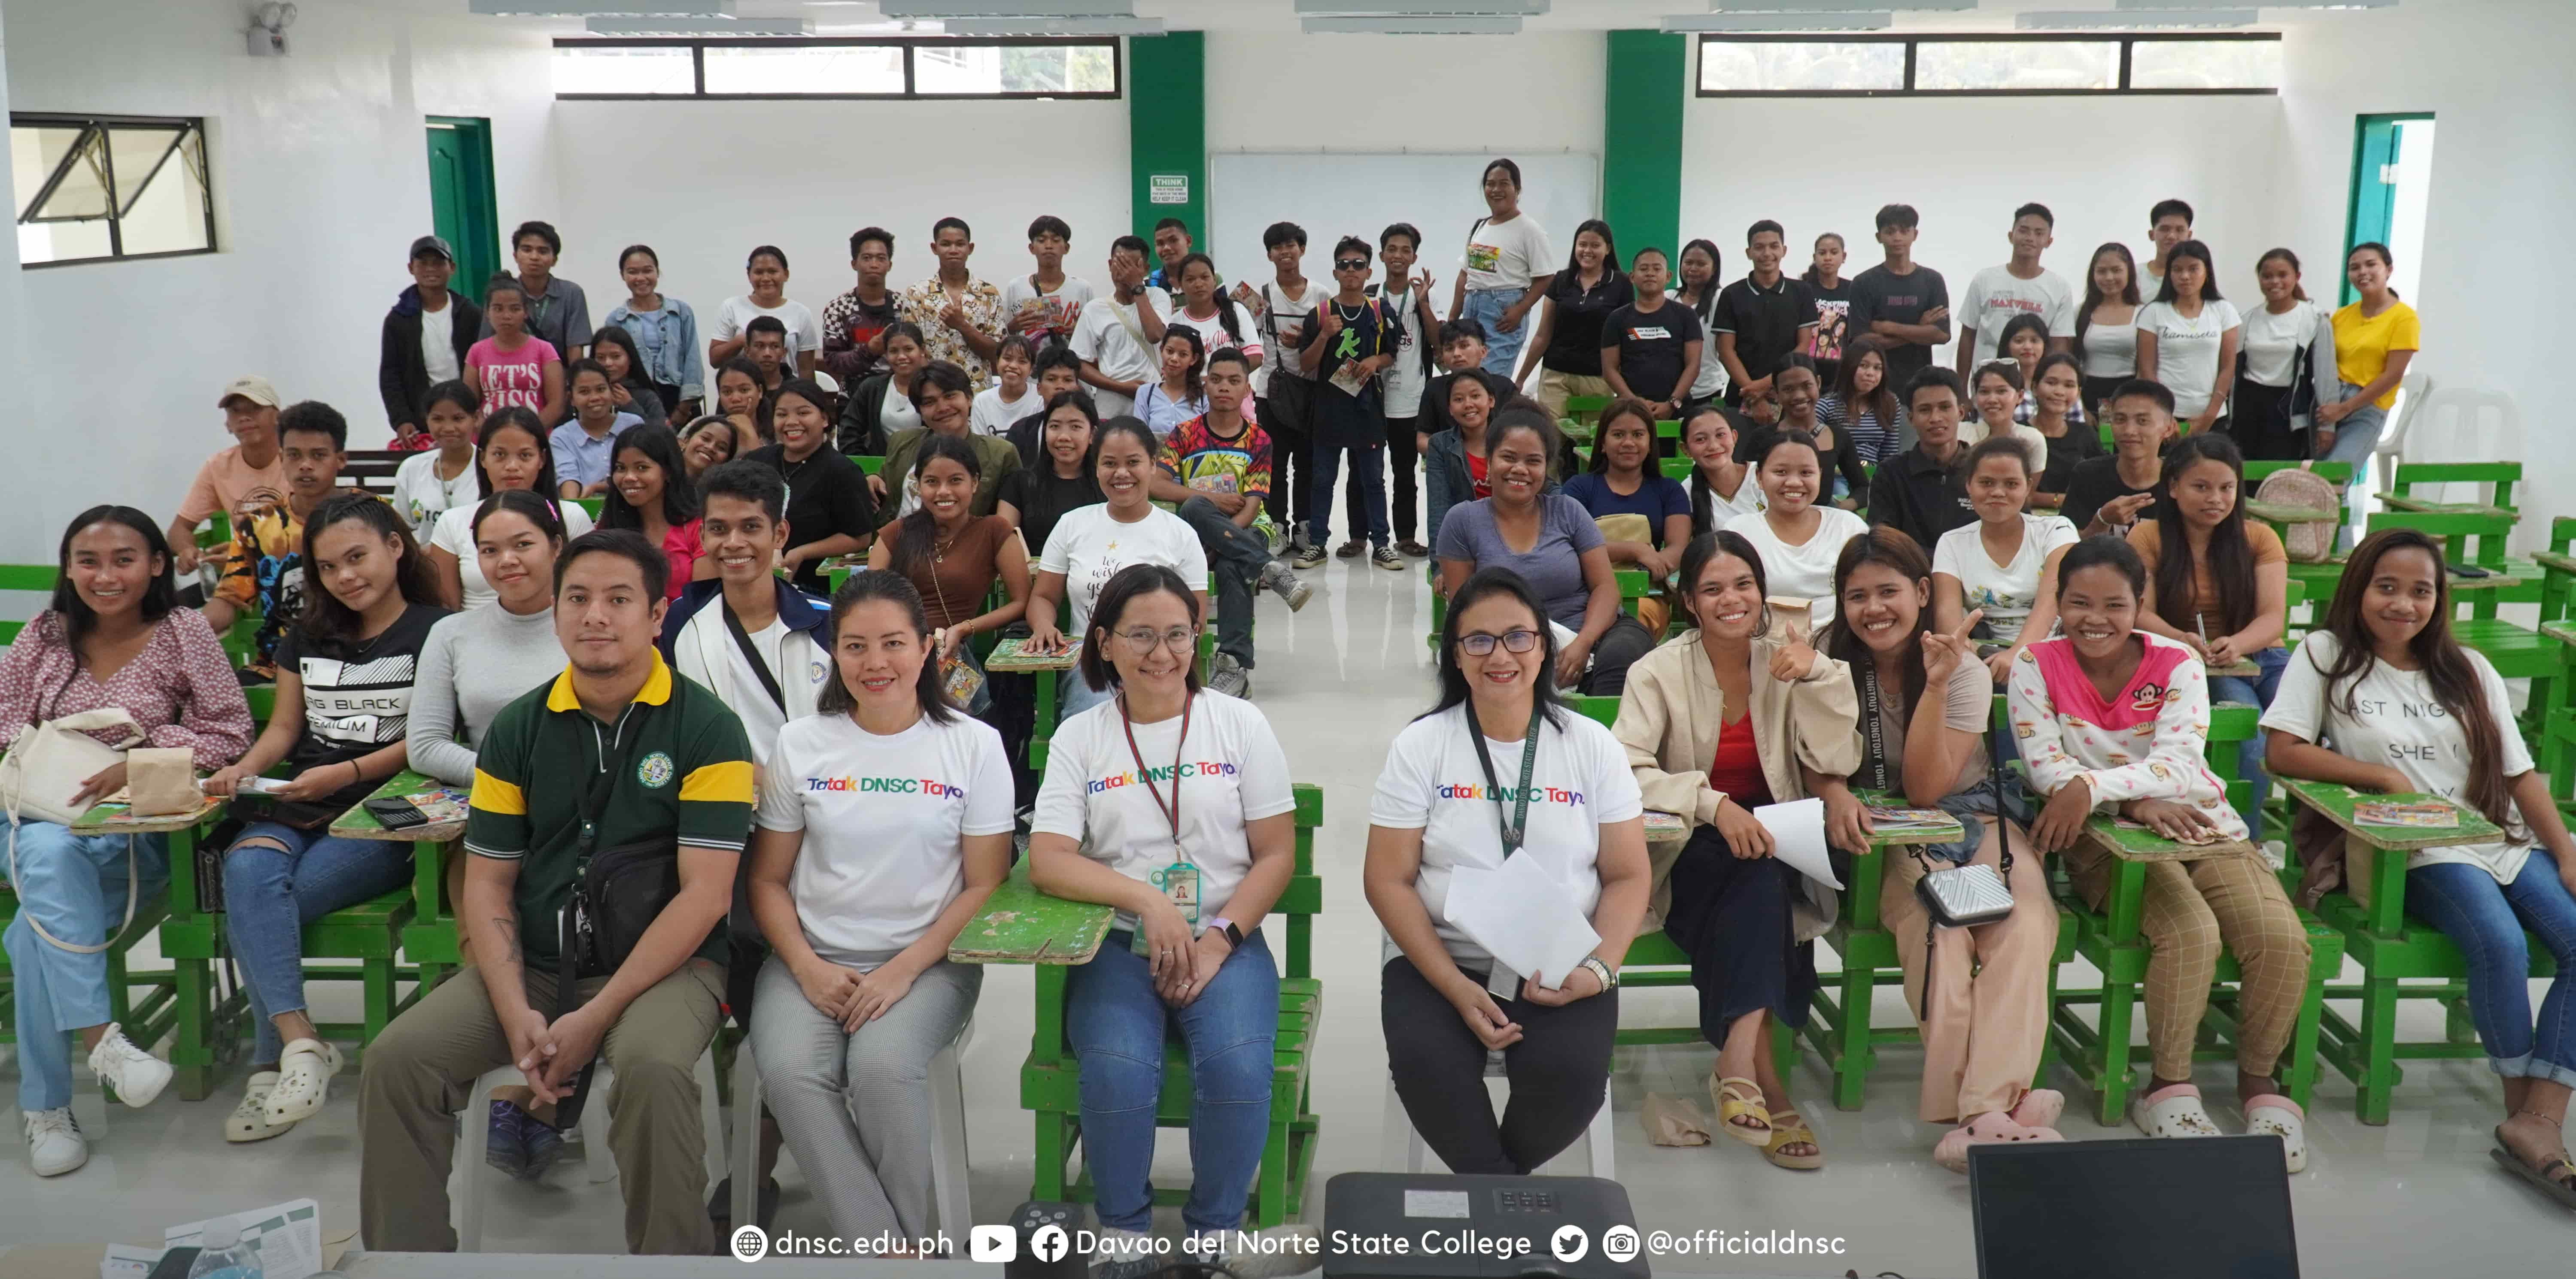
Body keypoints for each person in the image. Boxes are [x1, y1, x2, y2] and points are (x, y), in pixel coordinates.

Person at [358, 529, 753, 1255]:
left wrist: (595, 1015)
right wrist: (517, 1017)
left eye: (618, 599)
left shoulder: (709, 730)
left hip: (668, 964)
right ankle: (406, 1262)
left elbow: (704, 898)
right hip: (539, 960)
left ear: (657, 615)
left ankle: (676, 1265)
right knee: (397, 1061)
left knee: (655, 1071)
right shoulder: (519, 728)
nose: (595, 615)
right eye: (578, 598)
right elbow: (489, 884)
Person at [2262, 528, 2576, 1206]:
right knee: (2497, 942)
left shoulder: (2468, 671)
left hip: (2498, 836)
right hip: (2413, 849)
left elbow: (2520, 774)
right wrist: (2378, 775)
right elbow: (2282, 752)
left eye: (2421, 591)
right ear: (2359, 589)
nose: (2404, 604)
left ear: (2439, 600)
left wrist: (2569, 854)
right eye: (2388, 587)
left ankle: (2539, 1116)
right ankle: (2526, 1110)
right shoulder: (2327, 655)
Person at [1026, 563, 1312, 1266]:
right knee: (1119, 1071)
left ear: (1199, 637)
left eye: (1178, 634)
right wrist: (1147, 901)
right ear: (1105, 644)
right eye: (1142, 636)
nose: (1163, 653)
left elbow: (1276, 855)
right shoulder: (1081, 739)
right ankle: (1124, 1234)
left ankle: (1216, 1233)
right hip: (1118, 944)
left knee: (1238, 1071)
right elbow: (1050, 860)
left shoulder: (1239, 724)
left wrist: (1217, 941)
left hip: (1227, 939)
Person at [2010, 535, 2312, 1167]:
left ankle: (2259, 1082)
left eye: (2115, 605)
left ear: (2140, 603)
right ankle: (2168, 1084)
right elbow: (2045, 768)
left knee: (2281, 938)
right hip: (2100, 839)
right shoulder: (2036, 665)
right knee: (2192, 931)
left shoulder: (2177, 662)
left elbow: (2178, 764)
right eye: (2078, 603)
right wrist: (2130, 803)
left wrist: (2096, 786)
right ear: (2058, 603)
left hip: (2203, 822)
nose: (2096, 620)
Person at [746, 569, 1011, 1243]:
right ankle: (891, 1250)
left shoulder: (974, 745)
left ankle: (884, 1248)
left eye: (893, 643)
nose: (876, 663)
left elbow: (985, 884)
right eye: (856, 646)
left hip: (930, 963)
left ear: (928, 649)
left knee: (883, 1069)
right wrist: (805, 968)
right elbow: (768, 881)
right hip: (813, 959)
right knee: (788, 1072)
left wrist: (904, 970)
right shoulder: (803, 743)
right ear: (834, 652)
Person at [1367, 567, 1649, 1174]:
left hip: (1562, 960)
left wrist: (1598, 972)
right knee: (1428, 1068)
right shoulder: (1421, 745)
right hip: (1442, 960)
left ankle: (1491, 1200)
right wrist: (1454, 985)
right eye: (1479, 641)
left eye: (1519, 637)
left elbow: (1628, 875)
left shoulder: (1590, 744)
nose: (1501, 656)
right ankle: (1509, 1214)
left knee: (1571, 1079)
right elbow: (1386, 879)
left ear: (1544, 646)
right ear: (1457, 656)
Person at [6, 507, 252, 1176]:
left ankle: (47, 1107)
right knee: (49, 851)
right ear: (67, 568)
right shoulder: (44, 637)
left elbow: (231, 734)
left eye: (124, 559)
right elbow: (2, 727)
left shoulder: (183, 632)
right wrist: (62, 751)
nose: (105, 575)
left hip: (137, 832)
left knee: (31, 936)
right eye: (88, 561)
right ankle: (102, 1043)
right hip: (38, 816)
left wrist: (139, 758)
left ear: (156, 565)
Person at [1810, 527, 2064, 1171]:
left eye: (1889, 591)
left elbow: (1930, 786)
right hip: (1887, 834)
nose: (1874, 609)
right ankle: (1994, 1109)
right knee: (1942, 928)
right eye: (1857, 595)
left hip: (1972, 816)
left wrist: (1936, 682)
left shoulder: (1968, 670)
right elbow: (1804, 752)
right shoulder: (1826, 658)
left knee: (2025, 919)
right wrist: (1834, 789)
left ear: (1923, 592)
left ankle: (1983, 1109)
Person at [205, 495, 449, 1142]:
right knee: (248, 867)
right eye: (329, 567)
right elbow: (285, 727)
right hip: (299, 792)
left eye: (357, 557)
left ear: (395, 547)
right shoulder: (306, 634)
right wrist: (243, 768)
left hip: (387, 807)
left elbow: (428, 738)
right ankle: (303, 1045)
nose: (346, 576)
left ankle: (268, 1065)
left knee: (257, 901)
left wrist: (346, 775)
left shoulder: (437, 630)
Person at [1613, 530, 1856, 1170]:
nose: (1732, 599)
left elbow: (1837, 759)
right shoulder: (1657, 670)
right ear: (1691, 601)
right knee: (1759, 884)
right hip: (1691, 845)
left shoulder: (1788, 658)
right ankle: (1765, 1084)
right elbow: (1626, 768)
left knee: (1763, 877)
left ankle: (1737, 1065)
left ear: (1762, 591)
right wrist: (1712, 804)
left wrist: (1821, 676)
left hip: (1782, 841)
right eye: (1714, 588)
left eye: (1744, 584)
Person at [2129, 433, 2289, 836]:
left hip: (2261, 656)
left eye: (2226, 488)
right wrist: (2181, 639)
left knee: (2317, 732)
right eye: (2201, 487)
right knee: (2252, 740)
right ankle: (2244, 844)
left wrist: (2237, 644)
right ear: (2173, 487)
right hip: (2197, 663)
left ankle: (2318, 852)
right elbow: (2139, 612)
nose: (2215, 498)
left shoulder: (2260, 538)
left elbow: (2273, 619)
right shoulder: (2147, 537)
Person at [1436, 409, 1654, 696]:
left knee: (1624, 659)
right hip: (1508, 641)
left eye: (1533, 461)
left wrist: (1583, 643)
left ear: (1546, 468)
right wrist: (1526, 645)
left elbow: (1606, 588)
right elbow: (1465, 611)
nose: (1520, 470)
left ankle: (1602, 738)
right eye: (1509, 458)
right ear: (1489, 463)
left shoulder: (1568, 511)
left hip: (1592, 633)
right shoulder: (1462, 521)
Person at [1150, 350, 1315, 696]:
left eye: (1234, 381)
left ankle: (1234, 666)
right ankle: (1271, 570)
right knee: (1195, 506)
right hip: (1194, 531)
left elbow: (1253, 506)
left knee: (1231, 564)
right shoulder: (1184, 435)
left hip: (1248, 529)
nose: (1225, 387)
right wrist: (1213, 500)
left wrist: (1222, 540)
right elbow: (1155, 483)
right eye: (1217, 380)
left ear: (1246, 391)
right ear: (1205, 385)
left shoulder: (1259, 440)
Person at [1025, 418, 1209, 721]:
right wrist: (1044, 625)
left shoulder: (1180, 534)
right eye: (1109, 463)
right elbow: (1043, 597)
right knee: (1094, 719)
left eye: (1133, 462)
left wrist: (1155, 658)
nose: (1121, 473)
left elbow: (1195, 619)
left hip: (1159, 658)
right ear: (1096, 468)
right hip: (1092, 665)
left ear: (1153, 465)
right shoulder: (1072, 525)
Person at [203, 401, 376, 674]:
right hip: (277, 663)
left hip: (363, 655)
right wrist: (178, 632)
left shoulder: (372, 513)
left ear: (340, 460)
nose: (306, 466)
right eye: (294, 456)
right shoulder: (258, 524)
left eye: (318, 455)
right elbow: (229, 600)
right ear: (282, 458)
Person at [410, 491, 567, 791]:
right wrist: (512, 780)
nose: (507, 561)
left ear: (556, 546)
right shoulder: (451, 633)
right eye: (490, 550)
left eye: (523, 545)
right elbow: (425, 746)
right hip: (497, 806)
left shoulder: (596, 625)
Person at [868, 433, 1034, 674]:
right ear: (918, 484)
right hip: (896, 652)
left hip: (952, 653)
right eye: (932, 482)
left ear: (974, 483)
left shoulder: (994, 531)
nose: (943, 492)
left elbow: (1021, 602)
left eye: (956, 481)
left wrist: (965, 628)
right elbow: (869, 600)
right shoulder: (896, 534)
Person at [1933, 437, 2079, 679]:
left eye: (2011, 484)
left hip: (2060, 649)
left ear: (2028, 486)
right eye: (1986, 483)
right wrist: (1971, 660)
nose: (1998, 493)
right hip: (1986, 657)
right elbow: (1949, 621)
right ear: (1969, 485)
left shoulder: (2057, 531)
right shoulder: (1952, 542)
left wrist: (2018, 655)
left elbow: (2050, 600)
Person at [425, 408, 598, 611]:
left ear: (542, 459)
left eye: (525, 455)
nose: (512, 466)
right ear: (482, 459)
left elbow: (590, 591)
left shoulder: (571, 517)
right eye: (500, 455)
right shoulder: (452, 522)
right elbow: (448, 607)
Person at [1300, 238, 1403, 571]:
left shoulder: (1379, 310)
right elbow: (1305, 364)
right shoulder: (1320, 313)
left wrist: (1375, 361)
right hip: (1329, 408)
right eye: (1344, 264)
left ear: (1369, 271)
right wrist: (1323, 336)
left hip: (1367, 407)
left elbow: (1392, 353)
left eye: (1358, 264)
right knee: (1322, 479)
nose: (1351, 270)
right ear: (1335, 271)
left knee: (1374, 479)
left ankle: (1382, 544)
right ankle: (1317, 543)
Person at [1723, 428, 1871, 625]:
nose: (1794, 482)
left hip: (1842, 646)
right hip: (1765, 646)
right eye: (1781, 472)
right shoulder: (1739, 532)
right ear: (1759, 477)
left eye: (1806, 473)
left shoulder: (1849, 527)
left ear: (1820, 475)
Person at [746, 378, 879, 596]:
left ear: (825, 419)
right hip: (754, 577)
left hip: (813, 587)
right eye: (782, 415)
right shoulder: (757, 463)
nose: (791, 422)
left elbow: (859, 537)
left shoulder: (842, 471)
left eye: (803, 413)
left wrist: (802, 553)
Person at [1566, 399, 1689, 631]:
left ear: (1651, 443)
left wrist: (1652, 567)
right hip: (1585, 593)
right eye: (1618, 435)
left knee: (1633, 624)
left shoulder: (1669, 490)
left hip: (1646, 596)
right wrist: (1637, 550)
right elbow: (1570, 545)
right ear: (1603, 443)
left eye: (1638, 435)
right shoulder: (1579, 488)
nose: (1629, 443)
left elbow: (1678, 548)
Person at [1239, 223, 1324, 558]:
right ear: (1269, 255)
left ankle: (1304, 527)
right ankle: (1276, 528)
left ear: (1302, 249)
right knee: (1273, 464)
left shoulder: (1320, 295)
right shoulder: (1259, 295)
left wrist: (1304, 340)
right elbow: (1239, 332)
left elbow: (1330, 339)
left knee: (1308, 464)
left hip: (1311, 391)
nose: (1285, 252)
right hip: (1269, 393)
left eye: (1291, 245)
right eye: (1277, 247)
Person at [1367, 222, 1440, 558]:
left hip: (1411, 399)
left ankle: (1406, 536)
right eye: (1392, 249)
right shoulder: (1369, 295)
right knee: (1364, 472)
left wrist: (1424, 303)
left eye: (1406, 250)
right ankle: (1361, 536)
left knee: (1405, 473)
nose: (1398, 255)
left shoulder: (1422, 294)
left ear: (1414, 257)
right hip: (1370, 400)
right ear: (1381, 255)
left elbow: (1439, 343)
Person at [169, 376, 290, 576]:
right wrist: (187, 551)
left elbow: (313, 531)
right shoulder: (218, 467)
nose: (244, 417)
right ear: (228, 424)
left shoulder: (297, 458)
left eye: (255, 408)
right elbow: (179, 530)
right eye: (235, 412)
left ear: (278, 416)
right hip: (250, 577)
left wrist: (245, 555)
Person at [2317, 242, 2420, 476]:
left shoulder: (2404, 318)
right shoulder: (2341, 316)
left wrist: (2345, 408)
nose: (2362, 272)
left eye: (2371, 265)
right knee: (2308, 477)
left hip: (2367, 406)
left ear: (2389, 270)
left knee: (2335, 477)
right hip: (2330, 401)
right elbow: (2325, 364)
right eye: (2355, 268)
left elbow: (2393, 375)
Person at [1511, 218, 1631, 416]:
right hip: (1555, 375)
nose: (1587, 251)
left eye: (1595, 245)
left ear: (1608, 249)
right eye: (1582, 245)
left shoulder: (1621, 283)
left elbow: (1624, 338)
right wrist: (1521, 379)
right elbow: (1543, 335)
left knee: (1592, 442)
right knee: (1552, 437)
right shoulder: (1561, 280)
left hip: (1599, 379)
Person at [1452, 158, 1557, 379]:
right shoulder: (1480, 226)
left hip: (1501, 312)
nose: (1496, 190)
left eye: (1504, 184)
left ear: (1517, 189)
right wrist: (1453, 320)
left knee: (1491, 381)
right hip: (1472, 307)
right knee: (1469, 380)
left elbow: (1546, 277)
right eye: (1490, 184)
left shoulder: (1529, 230)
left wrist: (1521, 309)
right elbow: (1465, 275)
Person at [877, 361, 1022, 519]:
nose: (943, 408)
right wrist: (873, 479)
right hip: (898, 538)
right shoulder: (902, 442)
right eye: (929, 402)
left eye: (950, 396)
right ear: (920, 412)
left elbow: (1008, 520)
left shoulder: (1001, 454)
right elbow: (884, 485)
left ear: (969, 398)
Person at [2233, 248, 2336, 462]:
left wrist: (2327, 426)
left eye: (2282, 275)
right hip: (2248, 408)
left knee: (2280, 482)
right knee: (2244, 478)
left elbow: (2326, 376)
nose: (2274, 282)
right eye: (2267, 276)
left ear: (2297, 278)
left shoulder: (2315, 320)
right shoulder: (2246, 320)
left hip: (2288, 413)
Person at [380, 234, 482, 449]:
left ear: (452, 267)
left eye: (438, 263)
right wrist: (401, 420)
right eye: (423, 263)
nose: (430, 269)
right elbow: (390, 374)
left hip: (468, 415)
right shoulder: (398, 320)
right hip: (422, 421)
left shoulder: (470, 314)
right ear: (411, 268)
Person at [2135, 239, 2241, 432]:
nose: (2185, 276)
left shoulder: (2224, 310)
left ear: (2207, 271)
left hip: (2212, 415)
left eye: (2194, 269)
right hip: (2166, 418)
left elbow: (2228, 367)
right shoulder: (2153, 312)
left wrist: (2209, 416)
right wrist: (2165, 414)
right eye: (2177, 270)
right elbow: (2147, 371)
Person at [1956, 203, 2076, 374]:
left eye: (2039, 233)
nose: (2030, 238)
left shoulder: (2059, 288)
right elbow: (1968, 336)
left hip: (2033, 385)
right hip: (1986, 382)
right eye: (2024, 231)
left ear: (2049, 241)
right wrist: (1961, 391)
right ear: (2011, 236)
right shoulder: (1984, 279)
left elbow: (2058, 347)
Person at [1867, 368, 1976, 554]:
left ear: (1961, 413)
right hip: (1911, 573)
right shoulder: (1891, 474)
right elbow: (1883, 541)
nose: (1936, 418)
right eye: (1925, 410)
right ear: (1911, 419)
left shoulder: (1985, 470)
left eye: (1945, 407)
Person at [1713, 221, 1818, 409]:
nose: (1767, 254)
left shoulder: (1802, 291)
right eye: (1759, 247)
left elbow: (1803, 346)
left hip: (1791, 398)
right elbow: (1726, 351)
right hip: (1741, 398)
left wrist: (1764, 385)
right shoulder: (1731, 294)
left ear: (1784, 250)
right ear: (1749, 252)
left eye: (1774, 246)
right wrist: (1753, 395)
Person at [1847, 204, 1951, 393]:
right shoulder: (1863, 283)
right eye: (1890, 232)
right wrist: (1920, 330)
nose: (1897, 238)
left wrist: (1889, 328)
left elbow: (1942, 335)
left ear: (1915, 235)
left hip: (1919, 386)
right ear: (1879, 237)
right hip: (1874, 388)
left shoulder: (1932, 280)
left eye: (1904, 231)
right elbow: (1861, 341)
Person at [601, 424, 711, 600]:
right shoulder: (608, 527)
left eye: (642, 468)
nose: (629, 478)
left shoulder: (697, 529)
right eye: (621, 468)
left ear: (668, 472)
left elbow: (703, 603)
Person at [1070, 234, 1174, 419]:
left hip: (1153, 399)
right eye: (1120, 264)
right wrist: (1120, 387)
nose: (1125, 272)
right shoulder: (1095, 309)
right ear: (1110, 265)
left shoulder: (1158, 297)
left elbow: (1155, 335)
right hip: (1110, 404)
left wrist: (1137, 286)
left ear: (1146, 269)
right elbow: (1078, 364)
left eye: (1132, 266)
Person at [1600, 246, 1706, 425]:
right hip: (1630, 412)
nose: (1650, 274)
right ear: (1632, 278)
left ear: (1668, 277)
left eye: (1657, 269)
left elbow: (1693, 365)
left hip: (1677, 412)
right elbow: (1609, 370)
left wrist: (1672, 404)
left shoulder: (1686, 315)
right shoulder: (1616, 318)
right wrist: (1633, 402)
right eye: (1643, 269)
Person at [2062, 379, 2177, 538]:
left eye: (2142, 421)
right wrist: (2102, 521)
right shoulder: (2087, 475)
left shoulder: (2180, 481)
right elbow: (2065, 546)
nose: (2129, 431)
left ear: (2169, 428)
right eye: (2120, 420)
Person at [901, 217, 1005, 391]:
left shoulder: (989, 294)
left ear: (970, 248)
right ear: (934, 248)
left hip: (978, 394)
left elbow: (997, 353)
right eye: (946, 244)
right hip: (932, 394)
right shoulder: (917, 293)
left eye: (960, 244)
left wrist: (962, 326)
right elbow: (911, 351)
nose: (953, 250)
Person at [997, 391, 1105, 554]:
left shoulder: (1107, 483)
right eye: (1054, 426)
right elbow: (1004, 545)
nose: (1063, 437)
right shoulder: (1019, 483)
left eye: (1075, 427)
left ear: (1093, 435)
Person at [605, 243, 702, 418]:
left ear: (658, 272)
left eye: (647, 271)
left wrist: (684, 408)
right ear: (623, 276)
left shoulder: (681, 312)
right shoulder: (615, 320)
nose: (641, 278)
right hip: (636, 400)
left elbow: (693, 358)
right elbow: (612, 368)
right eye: (633, 272)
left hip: (681, 399)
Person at [1754, 362, 1867, 508]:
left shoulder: (1839, 437)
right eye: (1788, 389)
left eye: (1807, 386)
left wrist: (1837, 513)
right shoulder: (1762, 438)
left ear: (1818, 383)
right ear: (1777, 394)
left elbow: (1863, 487)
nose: (1799, 395)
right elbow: (1747, 487)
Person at [480, 220, 592, 362]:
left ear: (554, 260)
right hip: (510, 374)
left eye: (543, 251)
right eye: (527, 250)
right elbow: (486, 344)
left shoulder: (571, 293)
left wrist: (574, 382)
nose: (534, 257)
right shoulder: (499, 293)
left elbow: (575, 349)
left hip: (557, 376)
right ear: (515, 256)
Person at [709, 245, 819, 379]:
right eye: (759, 272)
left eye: (773, 272)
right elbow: (715, 361)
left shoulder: (802, 314)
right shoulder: (731, 307)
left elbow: (806, 369)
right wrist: (740, 341)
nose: (766, 278)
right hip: (741, 392)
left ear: (786, 274)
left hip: (788, 392)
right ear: (749, 276)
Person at [465, 276, 565, 424]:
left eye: (515, 309)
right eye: (498, 309)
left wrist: (530, 433)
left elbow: (557, 405)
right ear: (487, 312)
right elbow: (469, 405)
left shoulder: (544, 350)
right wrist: (488, 435)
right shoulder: (476, 351)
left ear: (526, 312)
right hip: (489, 440)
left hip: (534, 439)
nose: (506, 316)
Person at [1423, 370, 1504, 551]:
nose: (1468, 405)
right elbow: (1438, 510)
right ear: (1450, 409)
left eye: (1475, 396)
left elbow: (1545, 487)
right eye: (1459, 400)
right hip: (1466, 539)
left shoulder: (1512, 438)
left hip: (1511, 534)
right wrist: (1439, 566)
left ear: (1491, 400)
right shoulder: (1440, 445)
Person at [390, 381, 482, 537]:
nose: (448, 428)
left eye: (458, 418)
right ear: (427, 420)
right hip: (422, 560)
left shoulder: (488, 466)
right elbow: (401, 528)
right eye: (438, 419)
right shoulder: (411, 469)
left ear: (476, 419)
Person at [820, 227, 903, 390]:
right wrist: (870, 350)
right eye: (867, 258)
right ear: (854, 264)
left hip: (899, 391)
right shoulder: (837, 308)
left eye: (881, 258)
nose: (874, 264)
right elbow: (833, 361)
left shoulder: (904, 305)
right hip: (853, 394)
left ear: (890, 265)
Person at [835, 321, 933, 455]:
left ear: (922, 350)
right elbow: (849, 431)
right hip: (879, 471)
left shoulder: (936, 388)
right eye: (894, 351)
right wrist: (864, 467)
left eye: (909, 349)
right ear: (886, 355)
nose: (902, 357)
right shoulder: (871, 388)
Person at [551, 360, 643, 499]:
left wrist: (597, 487)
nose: (595, 398)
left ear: (611, 392)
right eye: (584, 392)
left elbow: (641, 474)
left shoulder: (633, 424)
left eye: (601, 389)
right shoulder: (561, 437)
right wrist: (575, 506)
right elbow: (567, 478)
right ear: (571, 399)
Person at [1000, 215, 1096, 345]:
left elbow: (1097, 336)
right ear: (1032, 248)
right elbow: (1000, 336)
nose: (1049, 246)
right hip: (1028, 364)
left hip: (1071, 363)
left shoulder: (1083, 289)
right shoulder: (1016, 287)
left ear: (1067, 248)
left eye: (1056, 240)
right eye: (1041, 240)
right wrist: (1013, 327)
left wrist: (1082, 333)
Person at [1165, 253, 1262, 378]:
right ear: (1181, 285)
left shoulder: (1236, 311)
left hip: (1235, 394)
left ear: (1215, 281)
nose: (1199, 284)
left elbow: (1255, 357)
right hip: (1192, 395)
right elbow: (1171, 367)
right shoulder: (1175, 323)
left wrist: (1218, 381)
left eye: (1205, 277)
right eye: (1190, 280)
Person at [2075, 243, 2144, 417]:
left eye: (2116, 270)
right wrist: (2080, 407)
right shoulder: (2079, 313)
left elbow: (2147, 368)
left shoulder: (2144, 314)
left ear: (2129, 272)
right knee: (2095, 443)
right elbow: (2069, 362)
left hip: (2128, 395)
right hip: (2088, 395)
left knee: (2118, 443)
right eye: (2102, 271)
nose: (2109, 277)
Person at [2025, 352, 2101, 508]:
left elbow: (2100, 482)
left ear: (2078, 393)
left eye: (2069, 386)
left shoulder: (2086, 435)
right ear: (2034, 387)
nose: (2059, 392)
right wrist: (2059, 500)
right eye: (2052, 383)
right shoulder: (2019, 433)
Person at [1817, 335, 1902, 465]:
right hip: (1838, 475)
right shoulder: (1826, 405)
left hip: (1874, 475)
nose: (1871, 373)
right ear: (1849, 367)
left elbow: (1889, 453)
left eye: (1877, 368)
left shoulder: (1890, 403)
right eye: (1863, 365)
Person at [1683, 406, 1764, 535]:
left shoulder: (1762, 475)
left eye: (1720, 435)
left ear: (1734, 437)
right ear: (1686, 450)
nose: (1714, 446)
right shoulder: (1686, 491)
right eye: (1700, 439)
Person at [1996, 313, 2083, 432]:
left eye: (2034, 341)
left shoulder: (2064, 386)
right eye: (2019, 341)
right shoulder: (1996, 386)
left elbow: (2078, 431)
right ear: (2007, 345)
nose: (2027, 347)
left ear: (2045, 345)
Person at [1005, 346, 1090, 465]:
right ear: (1039, 388)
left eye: (1068, 380)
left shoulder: (1092, 431)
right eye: (1052, 379)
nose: (1060, 386)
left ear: (1077, 387)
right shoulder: (1020, 432)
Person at [1674, 238, 1729, 413]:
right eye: (1688, 263)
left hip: (1706, 391)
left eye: (1701, 264)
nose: (1693, 269)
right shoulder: (1669, 298)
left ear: (1714, 269)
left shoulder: (1721, 300)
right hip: (1670, 392)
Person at [1964, 361, 2048, 470]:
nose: (1992, 400)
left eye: (2001, 391)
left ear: (2020, 396)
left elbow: (2029, 486)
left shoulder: (2032, 440)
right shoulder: (1960, 432)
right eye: (1984, 392)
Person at [586, 325, 669, 432]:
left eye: (616, 356)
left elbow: (661, 437)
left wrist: (630, 406)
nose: (608, 363)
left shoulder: (648, 398)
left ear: (630, 359)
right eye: (601, 358)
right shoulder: (585, 395)